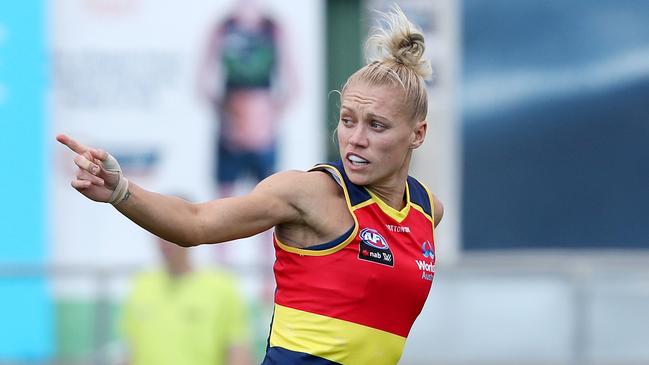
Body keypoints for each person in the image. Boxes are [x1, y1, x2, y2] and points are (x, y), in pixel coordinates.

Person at [58, 6, 443, 364]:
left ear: (417, 133)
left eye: (376, 125)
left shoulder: (427, 210)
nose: (355, 138)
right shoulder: (311, 193)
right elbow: (195, 222)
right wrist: (120, 191)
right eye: (347, 120)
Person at [198, 0, 298, 198]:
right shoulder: (223, 28)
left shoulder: (273, 29)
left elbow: (294, 84)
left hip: (263, 130)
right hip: (231, 130)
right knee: (225, 198)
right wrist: (228, 115)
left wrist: (267, 117)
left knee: (268, 197)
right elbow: (202, 81)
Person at [120, 234, 251, 365]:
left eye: (169, 232)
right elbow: (131, 351)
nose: (165, 241)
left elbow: (237, 352)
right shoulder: (141, 286)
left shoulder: (221, 287)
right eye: (159, 232)